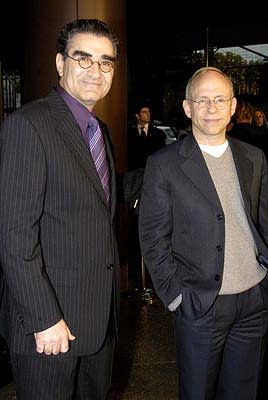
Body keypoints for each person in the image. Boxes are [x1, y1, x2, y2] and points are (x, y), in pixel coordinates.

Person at [0, 19, 120, 400]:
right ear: (59, 63)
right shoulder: (28, 125)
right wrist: (44, 318)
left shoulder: (99, 131)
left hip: (96, 321)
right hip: (49, 328)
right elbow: (14, 235)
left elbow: (91, 203)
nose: (95, 70)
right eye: (83, 58)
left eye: (106, 62)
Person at [139, 66, 268, 400]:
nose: (211, 108)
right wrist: (177, 295)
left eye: (219, 99)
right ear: (187, 107)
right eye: (202, 100)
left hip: (254, 300)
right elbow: (153, 238)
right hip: (200, 304)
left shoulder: (254, 157)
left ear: (233, 106)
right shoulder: (163, 164)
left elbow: (263, 222)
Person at [125, 103, 166, 291]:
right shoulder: (129, 134)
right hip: (135, 185)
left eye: (149, 112)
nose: (147, 115)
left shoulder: (158, 135)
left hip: (153, 183)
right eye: (143, 112)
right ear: (137, 115)